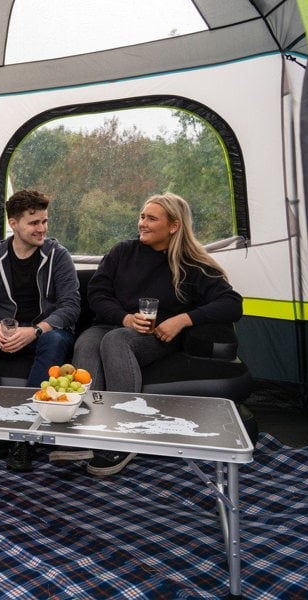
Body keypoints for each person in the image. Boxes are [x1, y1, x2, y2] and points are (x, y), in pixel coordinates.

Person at [72, 193, 243, 477]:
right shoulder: (121, 252)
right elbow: (97, 294)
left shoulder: (192, 265)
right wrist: (124, 317)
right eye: (142, 217)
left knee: (116, 340)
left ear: (174, 226)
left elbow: (232, 304)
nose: (142, 223)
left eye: (151, 218)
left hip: (156, 336)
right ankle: (88, 431)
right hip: (112, 323)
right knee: (87, 343)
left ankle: (125, 436)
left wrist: (183, 320)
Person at [0, 189, 82, 472]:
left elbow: (71, 306)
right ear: (14, 224)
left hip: (47, 329)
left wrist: (36, 330)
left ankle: (25, 436)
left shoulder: (57, 255)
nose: (42, 228)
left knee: (54, 342)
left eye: (44, 221)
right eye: (34, 222)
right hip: (8, 328)